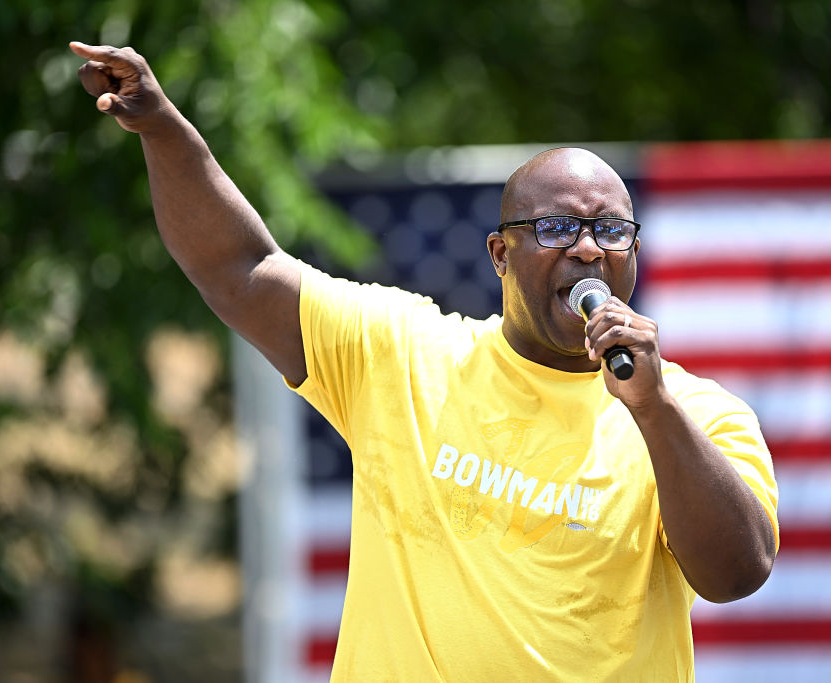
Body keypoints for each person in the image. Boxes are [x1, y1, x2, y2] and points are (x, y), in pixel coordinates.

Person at [70, 41, 778, 681]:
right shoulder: (403, 351)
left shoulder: (697, 414)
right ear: (501, 254)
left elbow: (738, 572)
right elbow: (242, 269)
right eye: (558, 226)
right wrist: (162, 127)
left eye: (610, 230)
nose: (588, 248)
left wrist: (655, 411)